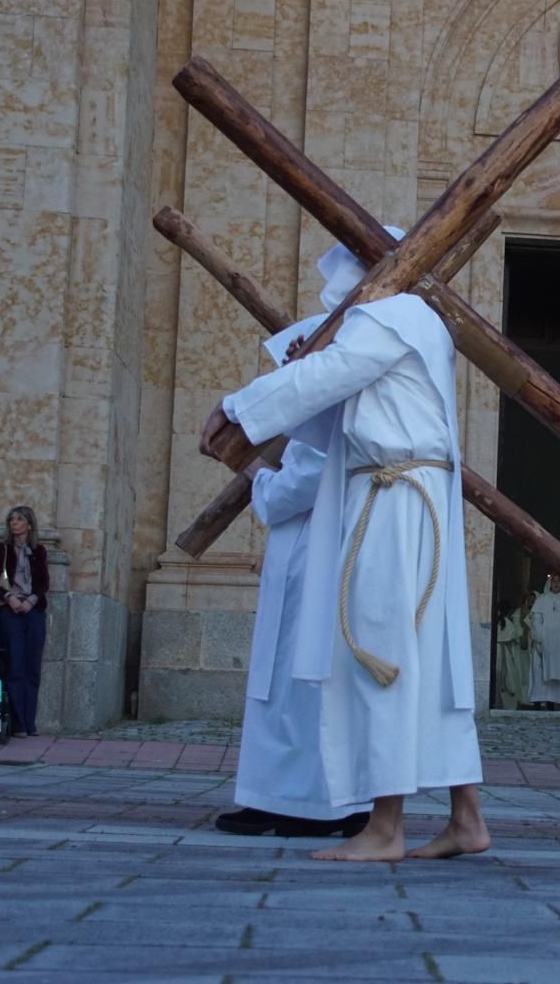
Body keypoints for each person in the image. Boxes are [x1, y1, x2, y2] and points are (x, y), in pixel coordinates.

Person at [201, 234, 486, 864]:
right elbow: (338, 409)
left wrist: (236, 407)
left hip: (391, 503)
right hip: (408, 496)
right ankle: (466, 818)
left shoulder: (390, 314)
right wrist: (300, 367)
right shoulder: (419, 321)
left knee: (377, 651)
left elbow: (329, 378)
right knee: (426, 660)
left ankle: (385, 828)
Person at [214, 299, 375, 841]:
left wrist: (255, 475)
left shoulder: (329, 422)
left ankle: (304, 801)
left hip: (315, 553)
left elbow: (297, 486)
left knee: (296, 681)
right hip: (320, 549)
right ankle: (301, 797)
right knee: (295, 682)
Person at [0, 506, 50, 738]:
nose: (14, 523)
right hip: (10, 610)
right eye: (11, 519)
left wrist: (31, 601)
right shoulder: (1, 550)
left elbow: (43, 583)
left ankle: (30, 723)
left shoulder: (38, 551)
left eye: (19, 519)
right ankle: (18, 723)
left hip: (33, 610)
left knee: (33, 667)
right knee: (16, 665)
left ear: (29, 525)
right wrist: (9, 597)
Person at [527, 576, 560, 709]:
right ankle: (538, 703)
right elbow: (536, 620)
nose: (556, 584)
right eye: (553, 581)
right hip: (542, 643)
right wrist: (540, 638)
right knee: (540, 673)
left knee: (557, 674)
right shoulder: (542, 600)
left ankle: (553, 704)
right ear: (549, 583)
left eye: (558, 581)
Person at [495, 593, 535, 710]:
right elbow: (515, 638)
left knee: (500, 677)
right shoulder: (508, 623)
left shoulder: (499, 622)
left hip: (499, 652)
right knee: (510, 677)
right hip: (506, 653)